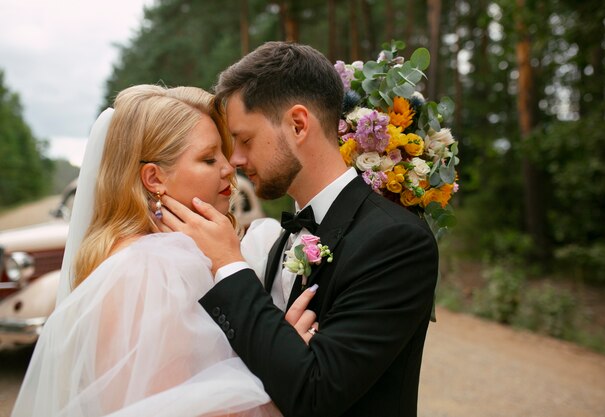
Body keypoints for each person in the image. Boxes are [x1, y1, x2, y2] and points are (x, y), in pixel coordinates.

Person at [159, 42, 439, 417]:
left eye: (244, 140)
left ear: (298, 124)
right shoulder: (282, 240)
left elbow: (316, 393)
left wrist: (228, 263)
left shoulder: (395, 242)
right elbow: (274, 367)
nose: (236, 161)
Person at [11, 84, 311, 417]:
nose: (229, 167)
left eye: (224, 153)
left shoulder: (156, 256)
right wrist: (281, 366)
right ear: (154, 178)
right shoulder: (150, 268)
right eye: (209, 158)